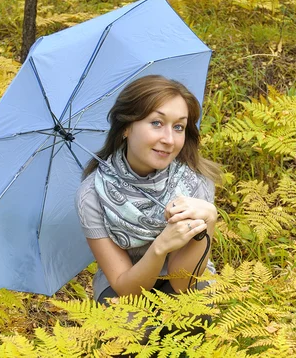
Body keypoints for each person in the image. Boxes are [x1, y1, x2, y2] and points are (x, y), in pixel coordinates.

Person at [75, 75, 221, 305]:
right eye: (156, 123)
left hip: (181, 280)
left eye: (178, 127)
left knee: (196, 310)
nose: (169, 140)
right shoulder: (93, 194)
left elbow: (184, 284)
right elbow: (126, 288)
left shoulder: (194, 182)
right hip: (126, 283)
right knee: (133, 325)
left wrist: (209, 219)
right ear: (126, 127)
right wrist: (160, 246)